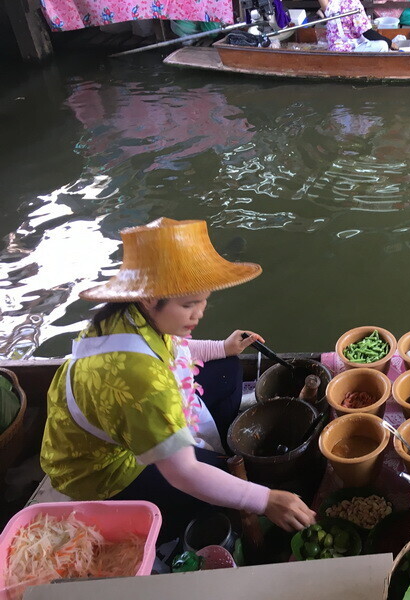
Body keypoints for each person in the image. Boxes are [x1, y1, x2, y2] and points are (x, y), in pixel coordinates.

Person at [40, 218, 316, 539]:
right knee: (211, 495)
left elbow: (177, 347)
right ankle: (213, 468)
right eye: (188, 304)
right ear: (147, 298)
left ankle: (220, 448)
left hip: (128, 416)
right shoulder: (141, 379)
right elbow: (185, 473)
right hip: (105, 471)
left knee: (228, 367)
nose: (199, 314)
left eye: (204, 301)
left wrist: (225, 347)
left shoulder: (129, 316)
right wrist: (265, 499)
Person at [318, 0, 394, 52]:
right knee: (383, 45)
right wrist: (389, 43)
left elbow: (324, 8)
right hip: (348, 48)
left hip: (334, 47)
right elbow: (367, 33)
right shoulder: (353, 3)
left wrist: (321, 11)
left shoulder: (330, 3)